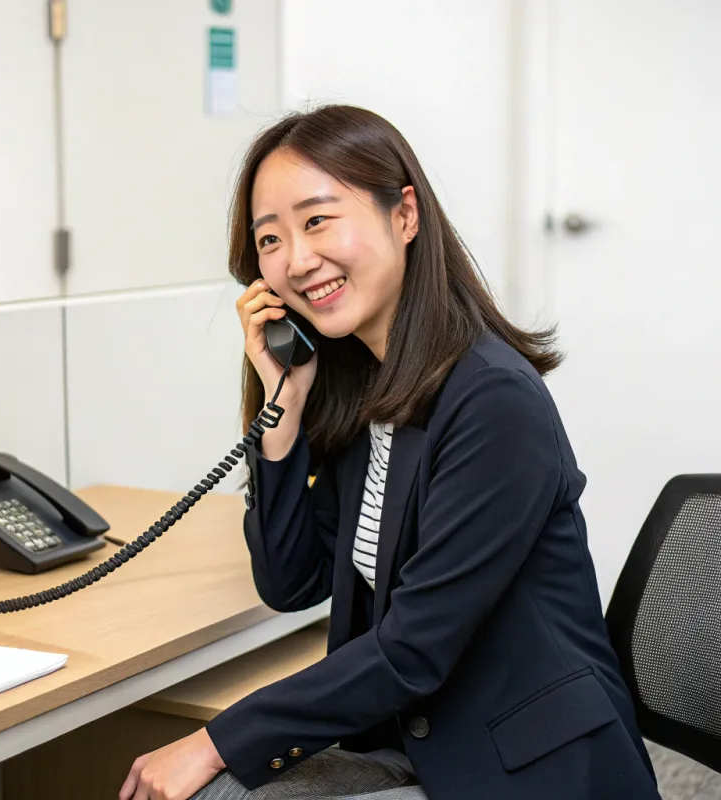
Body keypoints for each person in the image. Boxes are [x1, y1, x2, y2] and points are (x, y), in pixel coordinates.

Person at [119, 105, 662, 800]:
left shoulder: (493, 403)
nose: (296, 260)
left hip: (527, 766)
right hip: (421, 740)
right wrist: (280, 406)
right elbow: (291, 582)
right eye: (270, 240)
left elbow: (412, 647)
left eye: (317, 220)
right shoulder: (372, 391)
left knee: (215, 783)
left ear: (404, 215)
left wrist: (216, 739)